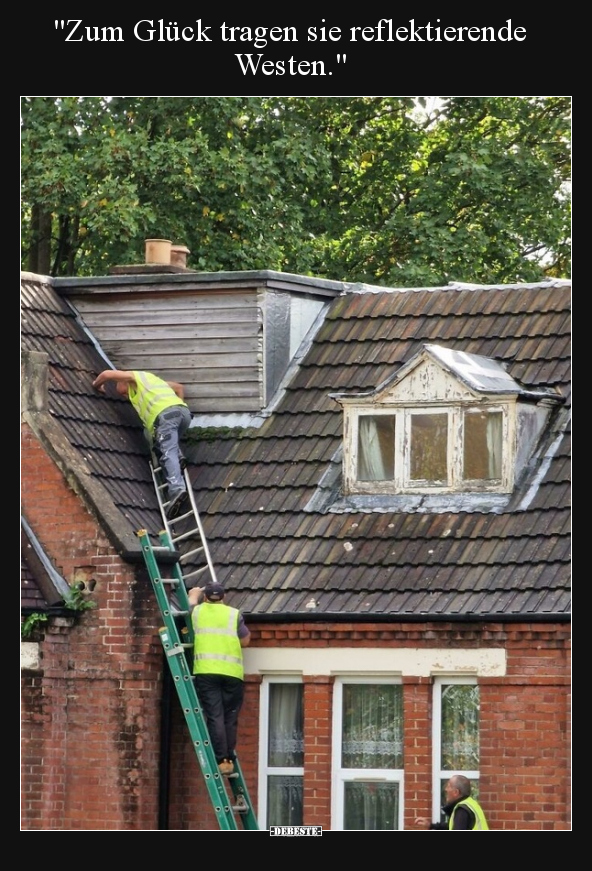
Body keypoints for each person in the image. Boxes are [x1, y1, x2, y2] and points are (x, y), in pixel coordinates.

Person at [92, 368, 191, 517]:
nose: (125, 396)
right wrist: (178, 408)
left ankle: (177, 490)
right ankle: (178, 455)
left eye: (123, 392)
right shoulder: (153, 382)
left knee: (167, 452)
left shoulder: (134, 377)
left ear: (125, 381)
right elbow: (179, 387)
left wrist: (96, 385)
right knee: (152, 434)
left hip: (166, 417)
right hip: (183, 414)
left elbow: (106, 374)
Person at [188, 580, 250, 776]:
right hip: (232, 674)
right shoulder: (233, 614)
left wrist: (193, 595)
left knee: (215, 716)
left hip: (206, 671)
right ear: (223, 598)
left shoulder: (197, 612)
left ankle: (221, 759)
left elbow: (188, 608)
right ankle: (228, 759)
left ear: (206, 597)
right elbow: (245, 641)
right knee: (230, 717)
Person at [415, 775, 489, 830]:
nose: (446, 789)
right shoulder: (471, 804)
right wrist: (431, 826)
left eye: (449, 786)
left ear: (456, 792)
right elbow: (452, 825)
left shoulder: (462, 810)